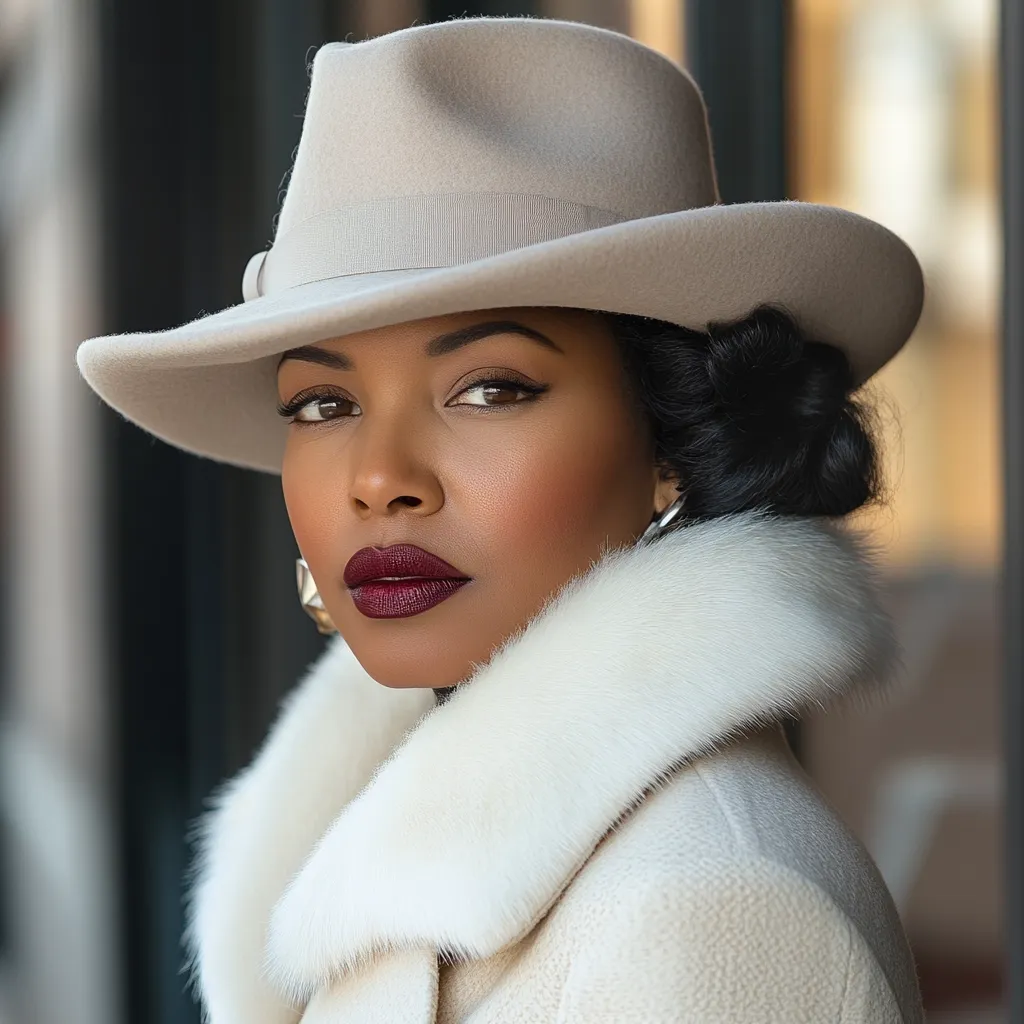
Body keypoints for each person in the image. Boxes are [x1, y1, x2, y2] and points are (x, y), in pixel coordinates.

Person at [76, 15, 927, 1024]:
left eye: (488, 389)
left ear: (669, 446)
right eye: (322, 404)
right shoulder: (381, 861)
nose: (380, 477)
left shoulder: (717, 905)